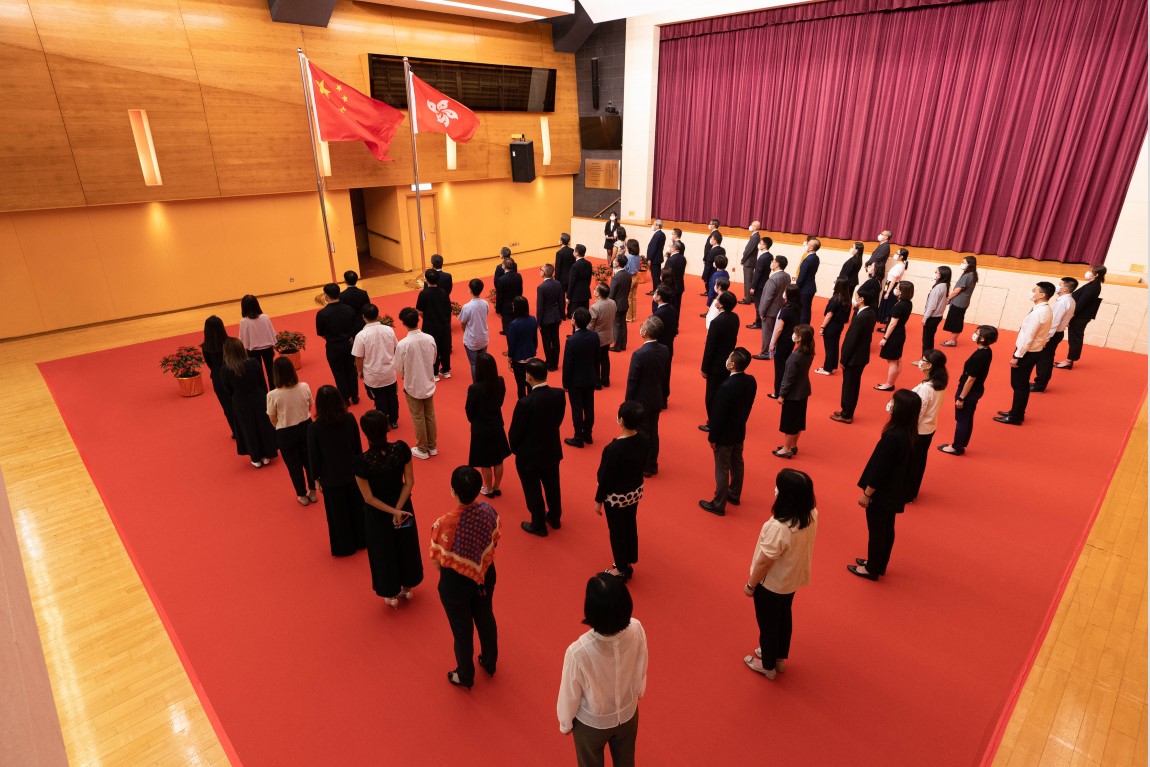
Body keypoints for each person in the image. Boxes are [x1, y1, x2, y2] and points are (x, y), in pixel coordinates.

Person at [557, 574, 647, 766]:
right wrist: (638, 691)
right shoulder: (637, 628)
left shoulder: (578, 652)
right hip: (628, 713)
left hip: (592, 723)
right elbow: (642, 663)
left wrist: (565, 724)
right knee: (626, 760)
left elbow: (570, 693)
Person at [743, 468, 818, 679]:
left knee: (768, 623)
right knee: (784, 617)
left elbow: (764, 561)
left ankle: (767, 665)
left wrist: (750, 585)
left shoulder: (779, 527)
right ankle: (778, 658)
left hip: (771, 584)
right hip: (791, 580)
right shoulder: (810, 514)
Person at [430, 466, 500, 689]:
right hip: (485, 576)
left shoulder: (444, 523)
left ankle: (465, 674)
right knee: (485, 615)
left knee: (462, 630)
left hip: (455, 584)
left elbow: (436, 559)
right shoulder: (490, 512)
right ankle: (489, 662)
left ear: (453, 491)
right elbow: (495, 540)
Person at [848, 388, 919, 581]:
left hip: (883, 492)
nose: (890, 404)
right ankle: (879, 563)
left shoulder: (893, 437)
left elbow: (880, 469)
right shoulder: (909, 433)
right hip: (894, 491)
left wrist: (868, 493)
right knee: (887, 528)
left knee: (878, 530)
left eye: (894, 402)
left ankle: (871, 568)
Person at [354, 410, 423, 608]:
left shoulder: (361, 462)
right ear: (386, 428)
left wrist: (393, 512)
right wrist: (399, 509)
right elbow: (409, 482)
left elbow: (368, 498)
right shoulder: (401, 449)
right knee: (406, 545)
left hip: (378, 514)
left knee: (382, 550)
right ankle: (407, 586)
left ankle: (390, 592)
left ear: (365, 433)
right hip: (403, 507)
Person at [509, 359, 566, 536]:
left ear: (529, 376)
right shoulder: (559, 394)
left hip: (530, 455)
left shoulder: (525, 403)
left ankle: (538, 523)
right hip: (551, 449)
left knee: (532, 489)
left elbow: (515, 432)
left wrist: (517, 450)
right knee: (553, 485)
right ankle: (555, 518)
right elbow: (558, 419)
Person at [307, 385, 366, 556]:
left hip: (330, 477)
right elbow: (357, 447)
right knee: (357, 507)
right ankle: (362, 539)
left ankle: (344, 547)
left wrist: (315, 478)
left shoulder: (314, 428)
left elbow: (314, 456)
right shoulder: (349, 419)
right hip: (352, 472)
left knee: (337, 514)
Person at [595, 401, 651, 580]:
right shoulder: (644, 439)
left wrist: (598, 500)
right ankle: (627, 560)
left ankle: (620, 568)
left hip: (616, 497)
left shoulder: (613, 449)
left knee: (617, 530)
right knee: (629, 525)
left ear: (620, 420)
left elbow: (604, 478)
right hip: (634, 492)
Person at [700, 347, 756, 516]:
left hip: (724, 436)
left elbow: (718, 417)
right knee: (737, 463)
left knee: (722, 468)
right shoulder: (751, 381)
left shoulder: (726, 387)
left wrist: (713, 437)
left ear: (732, 364)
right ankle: (734, 494)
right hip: (739, 431)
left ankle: (718, 504)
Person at [995, 282, 1054, 426]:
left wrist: (1017, 356)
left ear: (1042, 295)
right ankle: (1016, 411)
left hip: (1027, 352)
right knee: (1020, 385)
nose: (1032, 292)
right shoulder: (1045, 310)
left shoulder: (1040, 312)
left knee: (1019, 385)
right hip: (1033, 351)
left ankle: (1015, 416)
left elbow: (1029, 336)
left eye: (1034, 290)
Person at [938, 326, 998, 455]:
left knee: (962, 419)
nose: (974, 335)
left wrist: (961, 397)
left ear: (982, 338)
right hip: (976, 390)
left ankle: (956, 447)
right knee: (967, 418)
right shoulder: (987, 351)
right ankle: (961, 444)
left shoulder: (979, 356)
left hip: (968, 392)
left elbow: (971, 379)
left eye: (977, 333)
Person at [220, 337, 278, 467]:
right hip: (258, 397)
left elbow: (227, 390)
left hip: (240, 401)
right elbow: (262, 382)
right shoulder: (253, 363)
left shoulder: (225, 370)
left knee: (247, 428)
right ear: (241, 349)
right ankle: (267, 453)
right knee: (263, 424)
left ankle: (256, 457)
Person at [266, 356, 316, 506]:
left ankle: (301, 494)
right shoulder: (304, 386)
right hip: (306, 426)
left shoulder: (272, 395)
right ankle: (313, 491)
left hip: (285, 432)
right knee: (310, 461)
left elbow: (272, 418)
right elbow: (309, 406)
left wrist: (281, 426)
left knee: (294, 466)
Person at [624, 317, 669, 477]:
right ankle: (653, 463)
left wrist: (627, 404)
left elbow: (632, 381)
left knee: (643, 433)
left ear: (646, 332)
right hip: (656, 396)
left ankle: (646, 466)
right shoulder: (664, 349)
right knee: (653, 431)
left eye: (642, 325)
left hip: (641, 400)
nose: (641, 327)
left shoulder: (639, 354)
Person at [464, 352, 512, 498]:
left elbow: (469, 411)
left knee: (485, 461)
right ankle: (497, 486)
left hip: (481, 428)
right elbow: (501, 400)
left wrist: (475, 420)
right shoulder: (500, 381)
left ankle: (489, 488)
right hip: (497, 424)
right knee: (498, 458)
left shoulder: (474, 388)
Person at [394, 307, 438, 459]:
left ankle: (422, 448)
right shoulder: (429, 338)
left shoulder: (403, 344)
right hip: (428, 381)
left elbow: (398, 367)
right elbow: (433, 359)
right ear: (418, 320)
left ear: (403, 323)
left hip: (413, 384)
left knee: (418, 417)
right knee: (430, 415)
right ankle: (432, 446)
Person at [831, 283, 879, 424]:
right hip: (861, 356)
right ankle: (846, 409)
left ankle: (846, 414)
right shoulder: (870, 313)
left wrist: (843, 359)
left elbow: (851, 341)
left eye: (856, 296)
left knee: (849, 387)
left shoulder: (861, 317)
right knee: (852, 385)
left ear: (861, 299)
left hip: (854, 358)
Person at [906, 349, 947, 502]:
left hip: (919, 430)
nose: (920, 362)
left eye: (923, 359)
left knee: (911, 462)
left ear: (929, 365)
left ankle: (907, 493)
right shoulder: (939, 382)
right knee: (919, 461)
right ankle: (911, 492)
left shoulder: (926, 388)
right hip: (929, 428)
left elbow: (918, 412)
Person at [352, 303, 400, 429]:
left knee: (379, 400)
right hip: (389, 372)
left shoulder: (361, 335)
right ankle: (394, 421)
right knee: (392, 397)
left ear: (363, 317)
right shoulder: (389, 330)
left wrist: (359, 371)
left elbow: (358, 357)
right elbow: (396, 348)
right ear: (377, 315)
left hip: (373, 375)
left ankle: (383, 423)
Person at [699, 292, 739, 431]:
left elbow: (710, 348)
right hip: (728, 361)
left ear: (721, 304)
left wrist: (704, 367)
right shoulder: (735, 318)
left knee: (712, 396)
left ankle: (713, 423)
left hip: (715, 365)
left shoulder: (716, 323)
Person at [316, 283, 361, 405]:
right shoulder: (348, 309)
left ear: (326, 295)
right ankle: (355, 396)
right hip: (348, 344)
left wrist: (331, 339)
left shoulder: (322, 314)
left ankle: (345, 399)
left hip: (333, 346)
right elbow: (354, 326)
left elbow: (321, 333)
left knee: (338, 372)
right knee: (351, 370)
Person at [774, 324, 814, 458]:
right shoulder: (809, 351)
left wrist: (781, 394)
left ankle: (786, 448)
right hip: (803, 390)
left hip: (793, 394)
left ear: (800, 338)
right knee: (798, 421)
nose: (793, 335)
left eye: (796, 334)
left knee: (790, 422)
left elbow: (788, 378)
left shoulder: (795, 356)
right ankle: (793, 445)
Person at [563, 308, 600, 448]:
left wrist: (565, 383)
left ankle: (578, 437)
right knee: (589, 407)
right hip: (590, 377)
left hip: (575, 381)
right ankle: (588, 434)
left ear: (575, 322)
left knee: (577, 409)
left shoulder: (572, 341)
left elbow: (568, 364)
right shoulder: (594, 336)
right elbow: (597, 359)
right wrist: (597, 377)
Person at [1057, 265, 1106, 369]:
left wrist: (1069, 317)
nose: (1088, 272)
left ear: (1096, 275)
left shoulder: (1094, 286)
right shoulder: (1092, 284)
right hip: (1079, 316)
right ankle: (1069, 360)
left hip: (1080, 317)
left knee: (1075, 339)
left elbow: (1081, 304)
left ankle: (1069, 361)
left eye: (1090, 271)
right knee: (1074, 338)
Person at [1033, 276, 1076, 391]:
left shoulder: (1063, 302)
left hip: (1052, 334)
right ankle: (1040, 382)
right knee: (1046, 358)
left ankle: (1040, 384)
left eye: (1060, 284)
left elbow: (1054, 323)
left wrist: (1045, 339)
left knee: (1044, 359)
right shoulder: (1070, 300)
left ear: (1066, 289)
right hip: (1058, 333)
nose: (1058, 286)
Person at [874, 281, 914, 391]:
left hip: (894, 335)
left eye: (897, 288)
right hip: (900, 333)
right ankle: (892, 382)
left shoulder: (900, 305)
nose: (895, 289)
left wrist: (885, 338)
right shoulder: (908, 303)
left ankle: (889, 384)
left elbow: (892, 323)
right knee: (898, 360)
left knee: (892, 361)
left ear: (902, 291)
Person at [201, 315, 236, 438]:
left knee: (227, 406)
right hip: (233, 375)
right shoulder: (230, 343)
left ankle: (235, 431)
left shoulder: (205, 347)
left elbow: (210, 365)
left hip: (218, 378)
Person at [416, 269, 453, 380]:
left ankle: (434, 372)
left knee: (432, 348)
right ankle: (446, 370)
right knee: (444, 347)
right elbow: (448, 309)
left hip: (430, 326)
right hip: (444, 325)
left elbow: (420, 311)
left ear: (426, 280)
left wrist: (427, 318)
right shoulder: (443, 292)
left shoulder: (423, 293)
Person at [754, 255, 791, 359]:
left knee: (767, 332)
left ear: (777, 264)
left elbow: (767, 298)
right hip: (781, 308)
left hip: (770, 310)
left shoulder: (773, 279)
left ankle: (765, 352)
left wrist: (761, 312)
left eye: (773, 261)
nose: (772, 263)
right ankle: (773, 350)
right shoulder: (787, 276)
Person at [768, 286, 801, 398]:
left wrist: (773, 343)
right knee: (785, 366)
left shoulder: (785, 309)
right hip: (790, 340)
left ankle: (778, 392)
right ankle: (784, 389)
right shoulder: (797, 308)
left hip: (782, 341)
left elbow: (779, 329)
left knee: (779, 368)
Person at [239, 294, 276, 390]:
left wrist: (244, 351)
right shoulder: (265, 317)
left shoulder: (244, 321)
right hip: (268, 348)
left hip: (253, 351)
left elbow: (243, 339)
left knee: (258, 374)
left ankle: (263, 393)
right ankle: (273, 390)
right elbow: (272, 333)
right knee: (271, 371)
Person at [816, 277, 851, 375]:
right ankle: (832, 365)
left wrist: (822, 327)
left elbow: (829, 314)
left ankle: (827, 368)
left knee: (829, 347)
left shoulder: (835, 299)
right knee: (835, 345)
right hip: (839, 325)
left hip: (831, 325)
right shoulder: (847, 298)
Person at [941, 256, 979, 347]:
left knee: (956, 321)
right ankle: (952, 340)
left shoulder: (967, 276)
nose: (962, 264)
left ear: (969, 264)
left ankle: (952, 341)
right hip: (963, 302)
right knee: (957, 320)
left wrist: (948, 298)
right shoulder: (973, 275)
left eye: (964, 263)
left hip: (959, 302)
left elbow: (958, 289)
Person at [506, 295, 539, 400]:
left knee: (520, 386)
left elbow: (512, 343)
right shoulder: (533, 319)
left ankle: (523, 405)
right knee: (531, 384)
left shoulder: (513, 324)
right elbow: (535, 338)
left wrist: (509, 357)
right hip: (531, 355)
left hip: (519, 359)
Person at [457, 278, 490, 382]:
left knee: (474, 364)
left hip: (471, 340)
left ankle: (477, 386)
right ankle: (484, 383)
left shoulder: (467, 307)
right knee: (483, 363)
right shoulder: (485, 303)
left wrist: (466, 332)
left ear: (470, 290)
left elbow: (463, 322)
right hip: (483, 338)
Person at [537, 263, 566, 371]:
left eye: (541, 269)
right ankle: (555, 363)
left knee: (546, 341)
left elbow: (540, 307)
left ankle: (549, 363)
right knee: (555, 340)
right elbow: (561, 301)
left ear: (544, 273)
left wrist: (538, 322)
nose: (539, 271)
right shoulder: (558, 284)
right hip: (555, 316)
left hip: (545, 318)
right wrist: (561, 315)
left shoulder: (541, 287)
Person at [919, 266, 951, 360]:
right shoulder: (945, 285)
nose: (935, 274)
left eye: (936, 272)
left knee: (926, 339)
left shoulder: (938, 287)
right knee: (929, 338)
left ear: (942, 275)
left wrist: (925, 317)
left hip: (932, 317)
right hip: (938, 316)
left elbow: (932, 305)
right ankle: (928, 358)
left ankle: (925, 359)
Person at [589, 284, 616, 388]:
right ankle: (605, 380)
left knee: (596, 360)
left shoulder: (595, 307)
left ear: (599, 294)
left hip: (597, 337)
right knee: (605, 358)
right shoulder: (613, 302)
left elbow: (591, 325)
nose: (594, 290)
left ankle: (597, 382)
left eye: (595, 289)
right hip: (608, 335)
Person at [876, 248, 908, 329]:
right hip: (890, 285)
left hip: (891, 286)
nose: (895, 254)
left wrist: (887, 292)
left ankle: (887, 325)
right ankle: (887, 325)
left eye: (897, 253)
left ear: (901, 256)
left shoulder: (899, 266)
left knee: (888, 305)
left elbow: (893, 281)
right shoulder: (900, 265)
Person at [747, 235, 774, 328]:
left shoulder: (763, 258)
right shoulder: (770, 256)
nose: (759, 245)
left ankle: (758, 322)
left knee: (758, 304)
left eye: (760, 243)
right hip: (765, 282)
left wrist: (753, 287)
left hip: (759, 284)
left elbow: (757, 273)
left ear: (765, 245)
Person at [608, 255, 632, 352]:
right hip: (625, 303)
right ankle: (623, 344)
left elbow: (611, 294)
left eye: (615, 260)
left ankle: (617, 346)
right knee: (623, 324)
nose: (613, 261)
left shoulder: (616, 278)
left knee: (616, 325)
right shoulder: (628, 275)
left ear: (617, 263)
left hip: (616, 304)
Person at [795, 237, 821, 325]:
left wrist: (796, 287)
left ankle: (802, 329)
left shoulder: (807, 260)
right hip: (810, 287)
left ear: (811, 248)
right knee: (807, 309)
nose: (805, 245)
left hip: (804, 289)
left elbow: (802, 276)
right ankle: (805, 327)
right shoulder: (816, 258)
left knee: (803, 310)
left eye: (807, 244)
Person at [495, 258, 523, 336]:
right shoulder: (518, 276)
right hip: (517, 304)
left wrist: (498, 310)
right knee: (517, 327)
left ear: (503, 266)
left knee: (508, 329)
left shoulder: (501, 280)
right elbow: (520, 291)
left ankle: (511, 347)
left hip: (506, 308)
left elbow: (499, 297)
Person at [739, 221, 762, 305]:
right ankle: (750, 297)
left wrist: (743, 259)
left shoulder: (755, 237)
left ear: (755, 227)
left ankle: (747, 298)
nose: (750, 226)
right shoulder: (754, 236)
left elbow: (749, 251)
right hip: (749, 261)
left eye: (751, 225)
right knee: (749, 280)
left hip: (749, 262)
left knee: (747, 281)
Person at [567, 244, 593, 317]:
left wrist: (568, 296)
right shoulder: (589, 264)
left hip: (575, 296)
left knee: (575, 317)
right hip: (585, 293)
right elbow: (589, 279)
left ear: (577, 253)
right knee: (585, 316)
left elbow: (571, 282)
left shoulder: (574, 266)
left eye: (574, 250)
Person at [664, 238, 687, 310]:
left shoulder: (670, 260)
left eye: (670, 247)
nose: (669, 248)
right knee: (677, 307)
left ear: (673, 249)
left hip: (671, 287)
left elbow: (666, 274)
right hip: (680, 286)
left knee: (670, 308)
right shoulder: (683, 258)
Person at [700, 219, 722, 295]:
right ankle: (708, 290)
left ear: (714, 225)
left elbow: (709, 248)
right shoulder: (713, 233)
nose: (709, 225)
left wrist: (705, 258)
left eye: (710, 224)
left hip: (710, 257)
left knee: (709, 274)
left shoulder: (716, 234)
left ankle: (709, 291)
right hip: (709, 256)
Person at [645, 220, 665, 295]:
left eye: (653, 224)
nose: (652, 226)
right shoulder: (662, 234)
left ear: (657, 226)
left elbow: (653, 248)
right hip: (658, 258)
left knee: (655, 276)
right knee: (657, 275)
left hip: (654, 259)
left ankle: (656, 291)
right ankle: (657, 289)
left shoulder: (657, 235)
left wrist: (649, 258)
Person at [624, 238, 642, 323]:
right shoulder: (638, 257)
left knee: (628, 299)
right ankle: (633, 316)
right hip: (636, 277)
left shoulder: (628, 257)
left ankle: (628, 317)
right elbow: (638, 268)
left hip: (629, 278)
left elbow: (625, 268)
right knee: (634, 298)